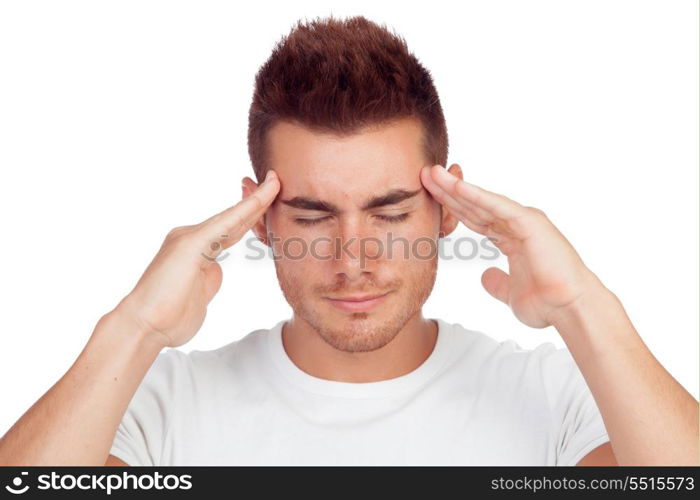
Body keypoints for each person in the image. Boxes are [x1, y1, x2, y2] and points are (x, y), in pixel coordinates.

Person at [0, 15, 697, 467]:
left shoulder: (559, 392)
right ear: (258, 219)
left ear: (448, 208)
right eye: (310, 215)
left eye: (390, 213)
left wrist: (585, 307)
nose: (352, 259)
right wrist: (134, 327)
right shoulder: (156, 404)